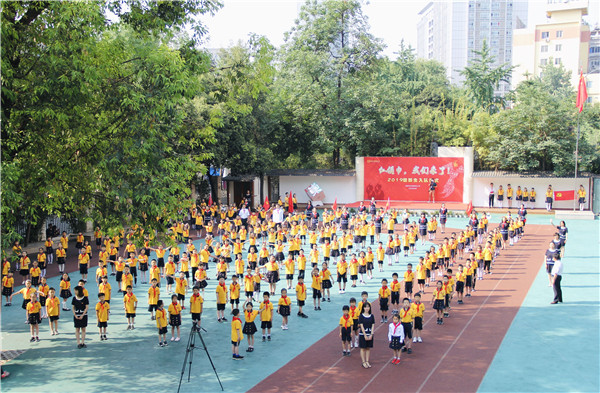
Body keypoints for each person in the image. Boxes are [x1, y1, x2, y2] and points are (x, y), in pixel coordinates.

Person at [358, 301, 375, 369]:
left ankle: (367, 361)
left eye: (368, 307)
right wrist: (365, 335)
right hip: (363, 334)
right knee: (363, 348)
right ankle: (363, 362)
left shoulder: (372, 316)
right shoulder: (361, 316)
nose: (367, 308)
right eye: (365, 307)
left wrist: (371, 334)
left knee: (368, 348)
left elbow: (373, 325)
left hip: (369, 333)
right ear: (363, 308)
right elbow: (361, 326)